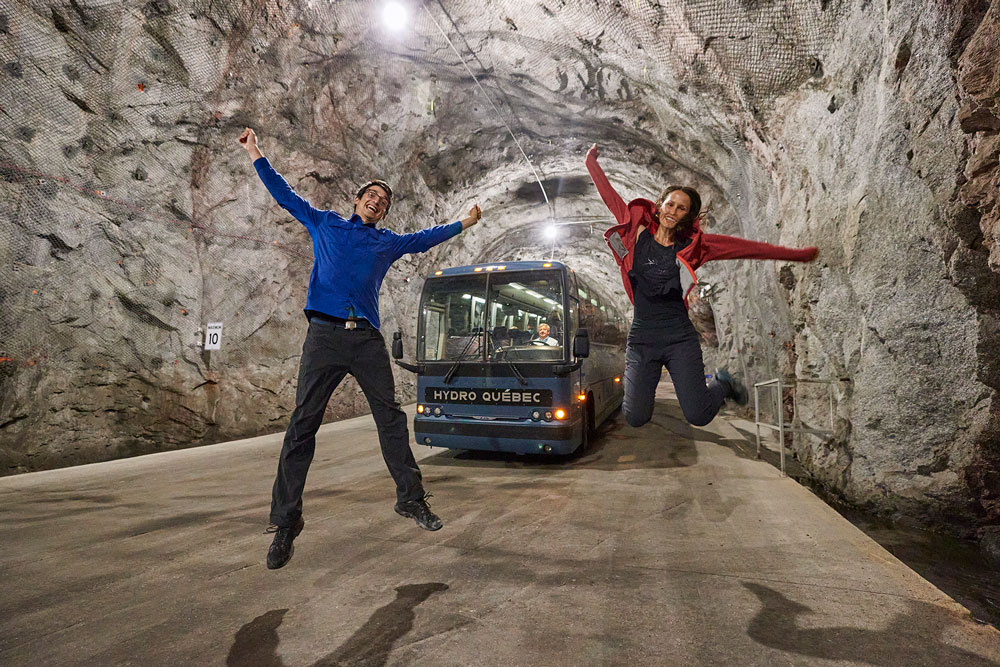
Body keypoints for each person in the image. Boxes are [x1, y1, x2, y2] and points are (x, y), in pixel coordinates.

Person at [239, 128, 482, 569]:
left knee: (390, 417)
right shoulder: (325, 222)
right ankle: (286, 523)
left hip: (366, 337)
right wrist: (256, 152)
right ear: (356, 200)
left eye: (384, 200)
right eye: (372, 195)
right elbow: (284, 194)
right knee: (302, 425)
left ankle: (410, 499)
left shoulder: (386, 242)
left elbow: (425, 238)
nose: (377, 201)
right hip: (325, 336)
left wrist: (464, 223)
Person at [585, 143, 818, 428]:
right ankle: (659, 393)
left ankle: (723, 384)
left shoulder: (696, 246)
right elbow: (611, 198)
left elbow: (748, 249)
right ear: (659, 206)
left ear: (688, 216)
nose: (673, 210)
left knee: (699, 415)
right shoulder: (636, 232)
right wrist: (591, 162)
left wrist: (797, 255)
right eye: (670, 204)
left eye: (681, 208)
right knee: (635, 417)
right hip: (642, 338)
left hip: (679, 337)